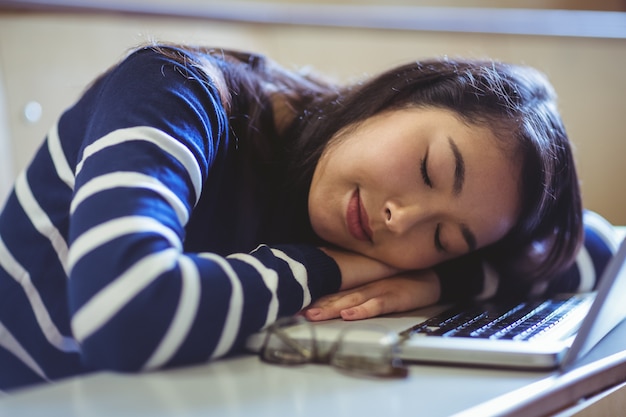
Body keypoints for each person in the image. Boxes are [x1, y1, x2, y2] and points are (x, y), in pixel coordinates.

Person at [0, 43, 618, 392]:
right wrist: (332, 268)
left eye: (443, 237)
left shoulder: (351, 211)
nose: (399, 220)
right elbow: (124, 313)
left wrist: (438, 280)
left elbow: (596, 251)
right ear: (399, 97)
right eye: (430, 169)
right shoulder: (174, 90)